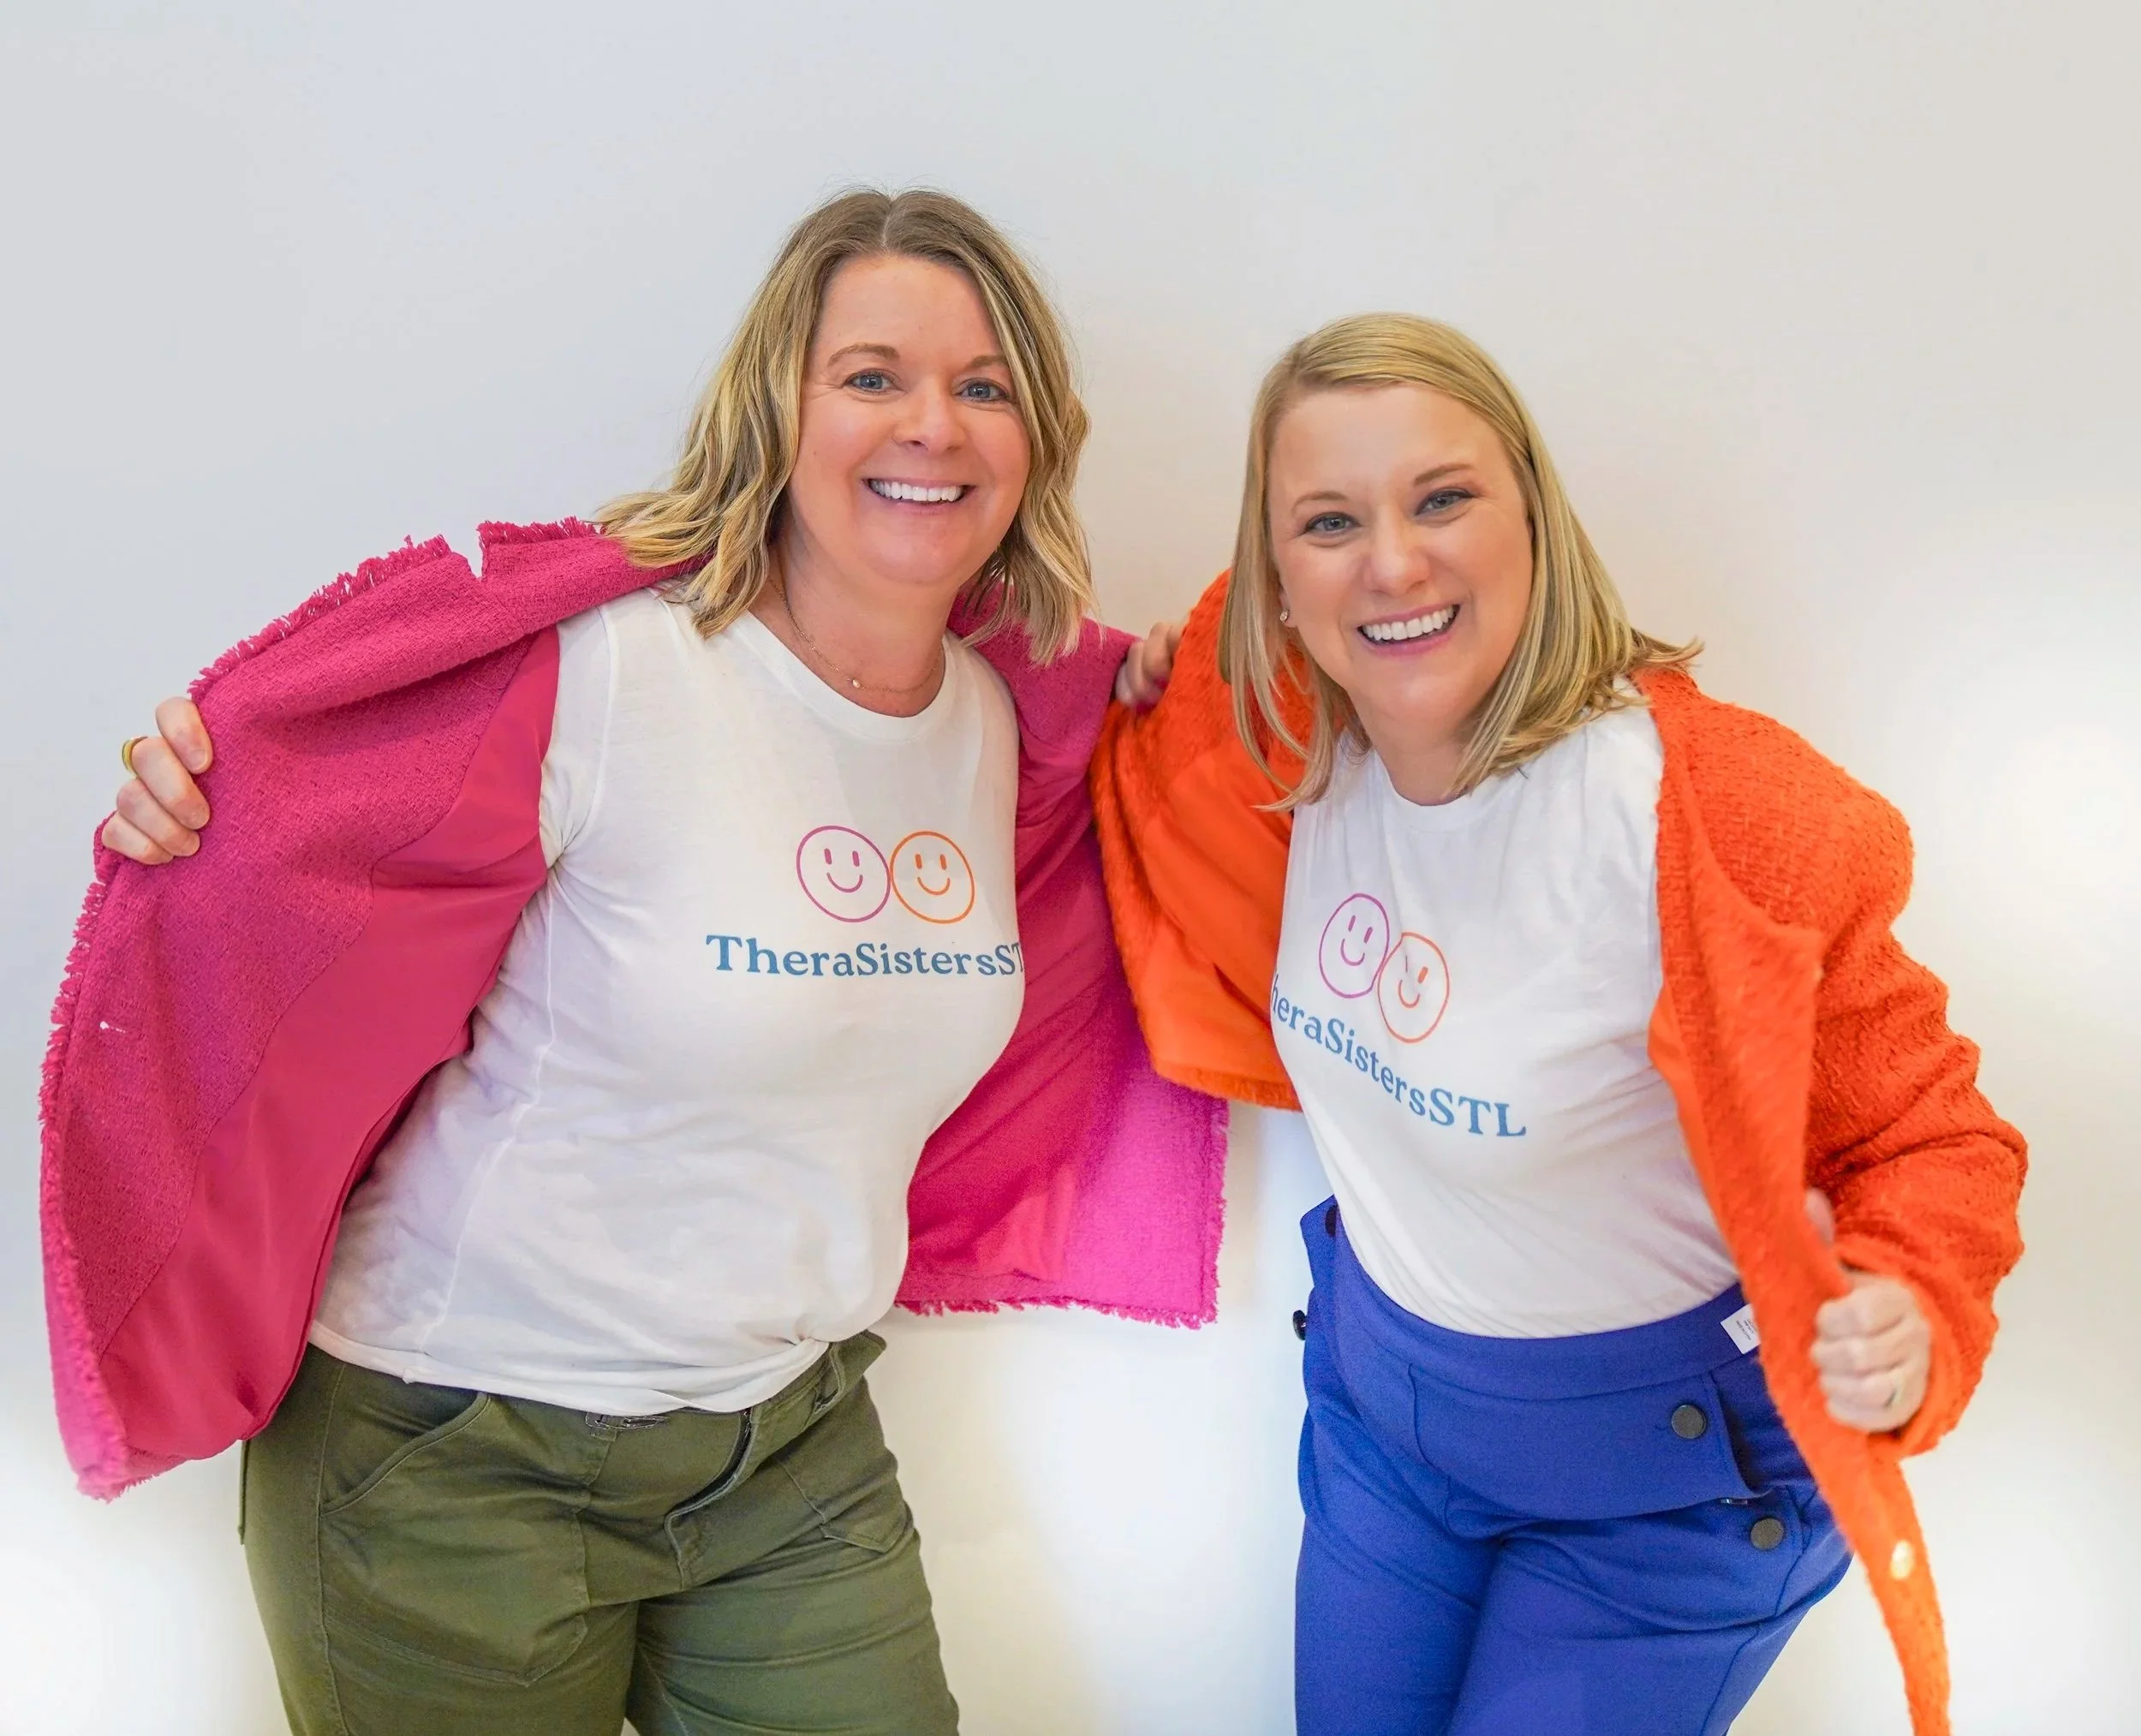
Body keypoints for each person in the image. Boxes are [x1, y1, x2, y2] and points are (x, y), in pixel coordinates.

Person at [75, 187, 1221, 1736]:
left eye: (984, 383)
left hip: (787, 1448)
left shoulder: (1013, 719)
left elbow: (1277, 707)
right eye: (873, 374)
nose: (932, 424)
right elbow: (305, 842)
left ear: (1033, 437)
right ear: (782, 407)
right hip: (453, 1452)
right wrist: (195, 812)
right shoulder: (610, 671)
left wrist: (1551, 660)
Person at [1095, 313, 2025, 1736]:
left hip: (1665, 1488)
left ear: (1534, 510)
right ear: (1279, 578)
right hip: (1386, 1426)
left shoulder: (1703, 821)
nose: (1392, 562)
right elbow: (1107, 729)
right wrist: (1148, 679)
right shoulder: (1290, 743)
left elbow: (1929, 1131)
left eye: (1443, 498)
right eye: (1330, 520)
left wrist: (1913, 1301)